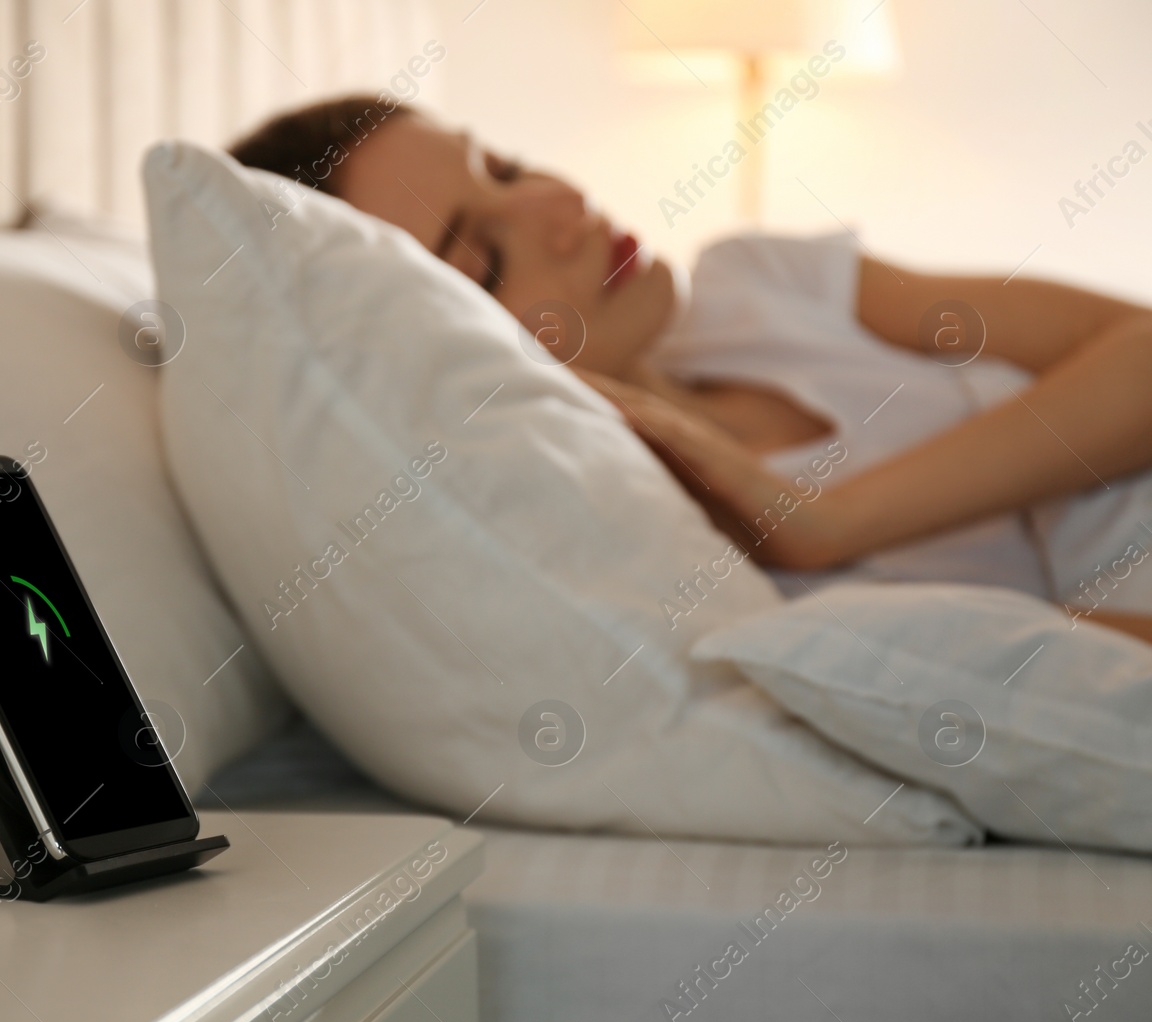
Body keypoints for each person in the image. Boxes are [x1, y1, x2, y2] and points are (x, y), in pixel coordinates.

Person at [229, 95, 1152, 644]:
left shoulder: (762, 281)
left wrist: (829, 520)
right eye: (484, 260)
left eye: (505, 168)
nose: (561, 203)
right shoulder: (675, 567)